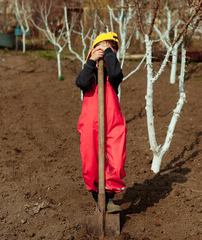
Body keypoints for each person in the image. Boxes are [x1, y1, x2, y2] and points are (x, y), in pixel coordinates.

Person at [75, 32, 126, 213]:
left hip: (113, 122)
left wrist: (109, 54)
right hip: (90, 123)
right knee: (90, 162)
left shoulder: (113, 76)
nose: (106, 51)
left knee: (116, 161)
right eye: (102, 46)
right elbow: (81, 82)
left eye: (111, 48)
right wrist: (91, 62)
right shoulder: (88, 74)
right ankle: (98, 201)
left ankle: (110, 198)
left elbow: (116, 73)